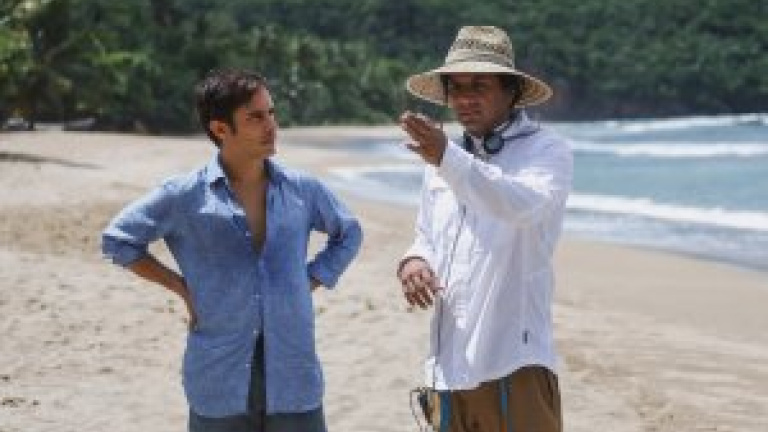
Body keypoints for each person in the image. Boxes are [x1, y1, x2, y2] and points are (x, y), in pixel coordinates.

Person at [101, 69, 362, 432]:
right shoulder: (184, 195)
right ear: (221, 129)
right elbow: (118, 240)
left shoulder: (303, 189)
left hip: (294, 375)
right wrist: (181, 288)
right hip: (218, 376)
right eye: (256, 117)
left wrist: (310, 280)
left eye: (271, 113)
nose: (271, 126)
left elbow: (349, 233)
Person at [397, 26, 572, 432]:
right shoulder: (444, 160)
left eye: (479, 85)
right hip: (447, 366)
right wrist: (414, 261)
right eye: (456, 88)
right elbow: (427, 234)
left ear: (511, 92)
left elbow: (521, 204)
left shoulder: (546, 150)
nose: (465, 98)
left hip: (515, 362)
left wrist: (447, 158)